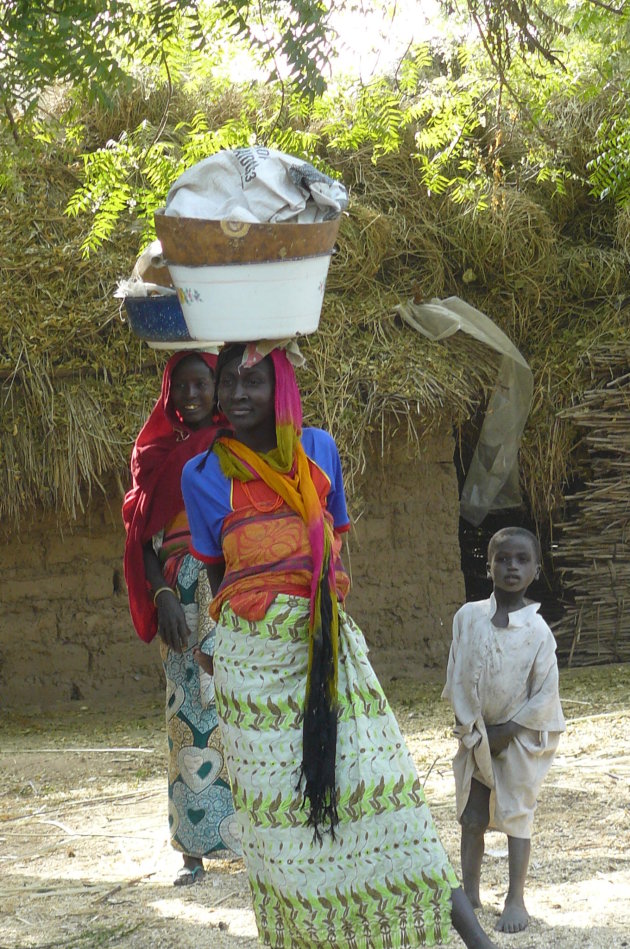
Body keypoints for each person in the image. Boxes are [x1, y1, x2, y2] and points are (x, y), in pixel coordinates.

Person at [181, 340, 497, 949]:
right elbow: (218, 574)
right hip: (252, 671)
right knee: (283, 828)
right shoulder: (202, 474)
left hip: (327, 652)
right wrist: (222, 637)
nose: (236, 395)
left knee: (386, 796)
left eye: (253, 381)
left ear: (283, 389)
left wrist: (321, 621)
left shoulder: (319, 450)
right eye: (227, 382)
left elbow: (334, 546)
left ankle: (469, 934)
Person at [122, 351, 240, 886]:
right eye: (182, 386)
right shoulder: (153, 455)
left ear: (218, 389)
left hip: (228, 585)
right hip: (178, 596)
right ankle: (193, 851)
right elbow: (141, 539)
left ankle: (254, 840)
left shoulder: (233, 443)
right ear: (169, 393)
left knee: (238, 708)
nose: (192, 395)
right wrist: (164, 594)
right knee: (187, 715)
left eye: (203, 384)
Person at [442, 526, 565, 933]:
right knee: (472, 816)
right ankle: (472, 892)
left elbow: (545, 693)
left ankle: (515, 898)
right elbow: (457, 674)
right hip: (477, 735)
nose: (512, 566)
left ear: (535, 570)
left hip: (519, 739)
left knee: (515, 815)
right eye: (503, 559)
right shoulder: (469, 617)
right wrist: (471, 728)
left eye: (522, 560)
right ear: (489, 565)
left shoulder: (537, 632)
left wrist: (510, 729)